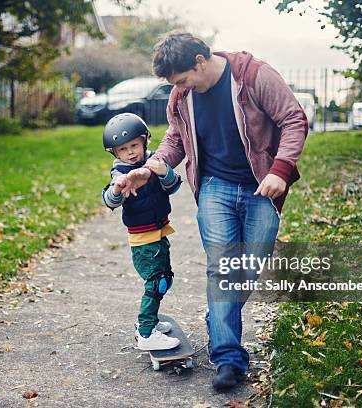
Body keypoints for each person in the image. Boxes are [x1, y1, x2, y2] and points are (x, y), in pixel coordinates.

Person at [122, 31, 308, 390]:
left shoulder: (253, 75)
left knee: (248, 269)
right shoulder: (181, 97)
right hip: (215, 188)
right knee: (222, 269)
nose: (181, 87)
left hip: (260, 186)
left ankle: (218, 316)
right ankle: (228, 357)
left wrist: (280, 171)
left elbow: (293, 119)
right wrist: (152, 166)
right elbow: (176, 138)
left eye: (183, 79)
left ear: (200, 61)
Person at [101, 112, 183, 351]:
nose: (130, 153)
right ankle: (146, 332)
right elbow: (109, 200)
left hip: (159, 232)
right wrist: (117, 189)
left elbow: (174, 185)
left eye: (134, 145)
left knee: (165, 279)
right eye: (123, 149)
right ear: (115, 154)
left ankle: (150, 322)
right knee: (156, 282)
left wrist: (162, 171)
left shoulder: (153, 162)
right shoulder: (120, 174)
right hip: (143, 240)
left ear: (145, 140)